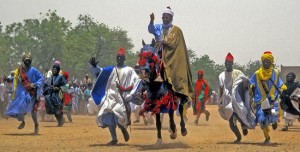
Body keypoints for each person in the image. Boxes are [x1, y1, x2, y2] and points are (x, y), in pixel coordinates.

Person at [148, 7, 193, 131]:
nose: (164, 18)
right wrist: (151, 21)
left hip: (172, 60)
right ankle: (145, 93)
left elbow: (176, 46)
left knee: (177, 77)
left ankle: (180, 95)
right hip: (158, 56)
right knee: (147, 70)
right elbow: (150, 29)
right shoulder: (158, 27)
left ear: (171, 18)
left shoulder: (176, 30)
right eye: (163, 16)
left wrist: (165, 42)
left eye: (167, 17)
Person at [89, 48, 141, 145]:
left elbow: (136, 81)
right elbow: (100, 72)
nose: (119, 58)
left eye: (121, 57)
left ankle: (123, 130)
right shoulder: (110, 69)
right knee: (108, 116)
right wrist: (95, 66)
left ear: (124, 58)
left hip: (122, 98)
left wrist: (128, 91)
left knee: (119, 117)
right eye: (118, 57)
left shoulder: (129, 70)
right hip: (110, 97)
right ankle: (114, 139)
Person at [249, 51, 286, 144]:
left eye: (268, 61)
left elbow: (280, 83)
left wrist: (282, 88)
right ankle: (267, 137)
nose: (266, 63)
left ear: (271, 62)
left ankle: (274, 122)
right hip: (260, 100)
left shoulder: (276, 73)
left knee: (273, 115)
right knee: (262, 118)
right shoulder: (257, 73)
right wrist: (251, 86)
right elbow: (251, 82)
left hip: (272, 100)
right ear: (262, 62)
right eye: (264, 61)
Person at [5, 53, 44, 134]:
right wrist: (8, 79)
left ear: (31, 61)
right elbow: (13, 78)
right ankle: (22, 121)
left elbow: (41, 78)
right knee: (16, 108)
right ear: (23, 61)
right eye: (26, 61)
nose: (27, 62)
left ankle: (36, 124)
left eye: (28, 61)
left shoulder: (34, 70)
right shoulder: (19, 71)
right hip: (21, 93)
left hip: (31, 93)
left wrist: (36, 84)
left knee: (33, 111)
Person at [217, 53, 246, 143]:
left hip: (238, 98)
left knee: (240, 115)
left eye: (229, 62)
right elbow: (221, 88)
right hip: (227, 100)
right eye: (226, 62)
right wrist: (220, 101)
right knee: (231, 120)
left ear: (232, 63)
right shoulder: (222, 75)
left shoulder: (238, 73)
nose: (228, 64)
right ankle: (238, 137)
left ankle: (243, 125)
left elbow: (245, 81)